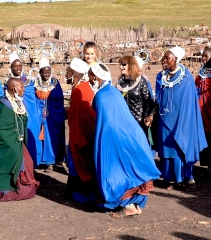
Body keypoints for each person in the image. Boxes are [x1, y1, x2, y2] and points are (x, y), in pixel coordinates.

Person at [90, 62, 160, 217]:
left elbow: (104, 121)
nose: (89, 78)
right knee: (130, 168)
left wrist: (102, 143)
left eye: (90, 75)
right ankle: (134, 204)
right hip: (131, 133)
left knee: (117, 171)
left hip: (115, 137)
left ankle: (128, 205)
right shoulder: (112, 91)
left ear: (95, 77)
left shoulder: (102, 96)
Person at [156, 46, 207, 191]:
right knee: (166, 149)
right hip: (164, 118)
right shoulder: (161, 76)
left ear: (176, 60)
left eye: (167, 58)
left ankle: (183, 177)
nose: (164, 60)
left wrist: (184, 120)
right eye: (164, 57)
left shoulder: (186, 78)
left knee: (179, 146)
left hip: (181, 119)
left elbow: (190, 102)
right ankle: (169, 178)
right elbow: (159, 97)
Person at [0, 77, 39, 201]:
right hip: (7, 142)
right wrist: (11, 142)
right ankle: (6, 189)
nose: (24, 89)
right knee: (17, 158)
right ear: (14, 88)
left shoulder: (18, 102)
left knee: (28, 162)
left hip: (17, 141)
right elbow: (0, 128)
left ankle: (23, 186)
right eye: (21, 87)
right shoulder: (4, 104)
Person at [65, 58, 97, 202]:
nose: (66, 73)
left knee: (79, 163)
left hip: (81, 136)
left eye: (69, 71)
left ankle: (82, 194)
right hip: (78, 134)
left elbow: (84, 117)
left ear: (75, 74)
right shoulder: (80, 87)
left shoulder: (80, 90)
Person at [31, 57, 66, 173]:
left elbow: (59, 99)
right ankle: (39, 159)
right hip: (38, 114)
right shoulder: (34, 84)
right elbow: (31, 100)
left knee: (50, 138)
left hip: (52, 115)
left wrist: (50, 107)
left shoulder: (55, 84)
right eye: (44, 71)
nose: (46, 74)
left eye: (48, 71)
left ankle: (50, 162)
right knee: (38, 136)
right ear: (40, 72)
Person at [7, 53, 41, 167]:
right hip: (15, 116)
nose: (18, 68)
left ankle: (30, 163)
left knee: (29, 138)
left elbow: (31, 100)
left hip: (29, 115)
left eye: (19, 65)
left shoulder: (29, 82)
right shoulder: (8, 83)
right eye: (15, 66)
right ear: (11, 67)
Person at [116, 56, 155, 141]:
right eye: (120, 64)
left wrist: (146, 117)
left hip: (139, 122)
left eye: (123, 64)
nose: (121, 67)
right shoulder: (119, 83)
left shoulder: (141, 81)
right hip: (124, 121)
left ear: (131, 65)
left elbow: (147, 101)